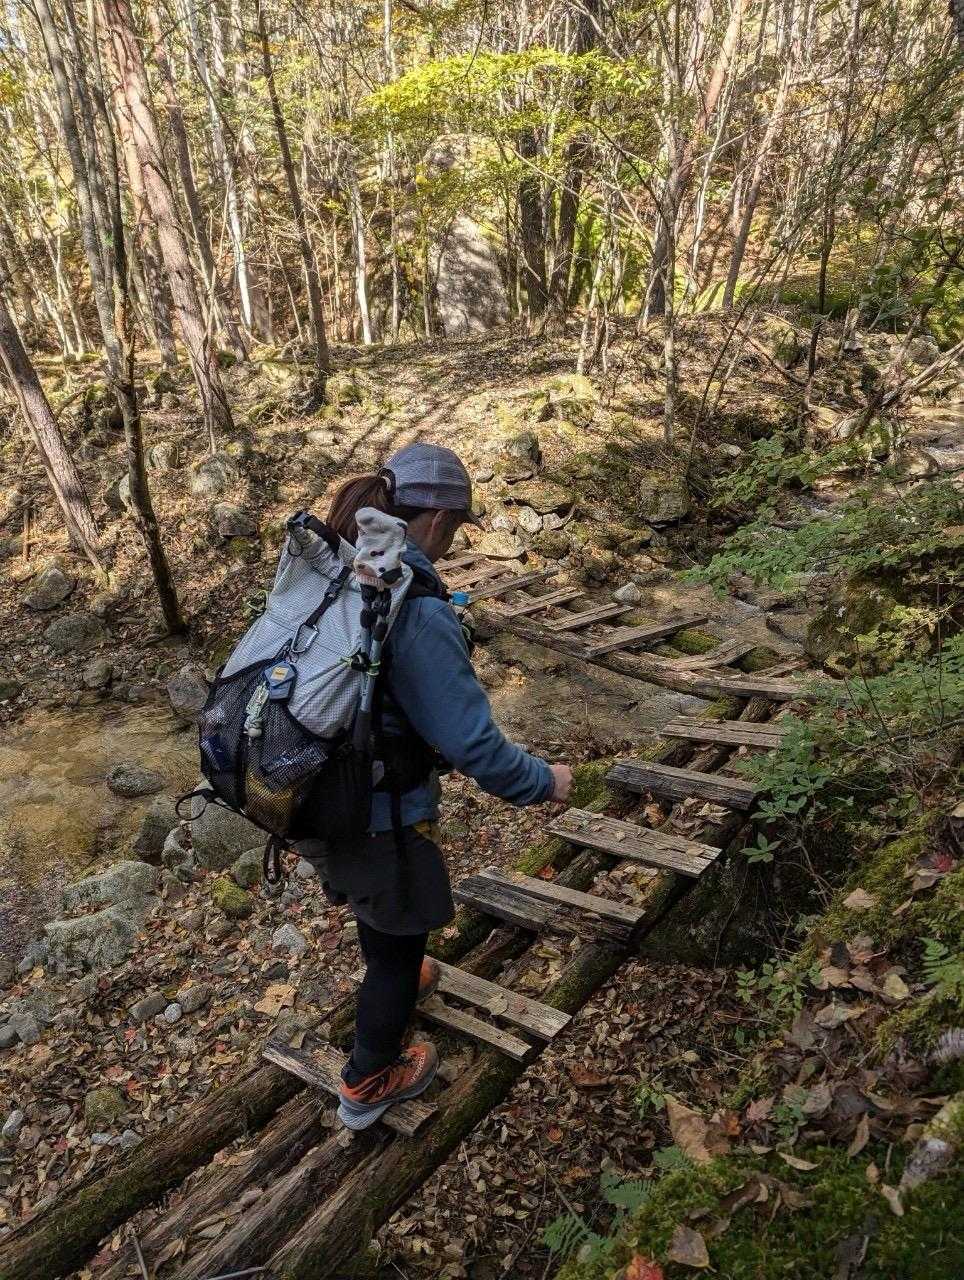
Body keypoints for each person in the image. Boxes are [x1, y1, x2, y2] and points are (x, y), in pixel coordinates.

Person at [311, 442, 572, 1130]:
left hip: (320, 797)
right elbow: (473, 745)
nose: (454, 542)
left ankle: (399, 971)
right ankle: (368, 1081)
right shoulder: (415, 607)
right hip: (380, 815)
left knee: (382, 910)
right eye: (455, 527)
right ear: (433, 520)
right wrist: (545, 782)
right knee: (399, 941)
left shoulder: (344, 568)